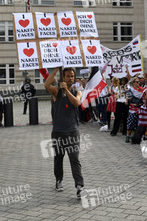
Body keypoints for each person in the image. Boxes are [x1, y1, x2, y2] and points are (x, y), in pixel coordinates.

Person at [44, 67, 85, 198]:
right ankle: (59, 180)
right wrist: (55, 70)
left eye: (72, 76)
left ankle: (79, 186)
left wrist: (66, 89)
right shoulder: (56, 91)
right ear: (63, 78)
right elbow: (46, 85)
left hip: (72, 131)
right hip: (58, 131)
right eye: (67, 76)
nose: (70, 78)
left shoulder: (77, 91)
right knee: (59, 158)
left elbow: (77, 102)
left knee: (74, 158)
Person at [126, 77, 146, 143]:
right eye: (137, 82)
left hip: (141, 108)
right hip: (133, 108)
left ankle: (137, 136)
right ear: (133, 83)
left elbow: (144, 98)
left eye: (139, 82)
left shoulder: (142, 90)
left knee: (139, 123)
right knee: (131, 122)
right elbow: (128, 99)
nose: (138, 83)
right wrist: (131, 103)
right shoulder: (130, 90)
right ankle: (128, 135)